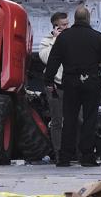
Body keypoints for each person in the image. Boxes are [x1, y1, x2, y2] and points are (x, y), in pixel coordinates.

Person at [45, 6, 101, 167]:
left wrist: (48, 81)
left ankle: (65, 157)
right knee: (89, 119)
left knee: (69, 119)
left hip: (70, 83)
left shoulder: (64, 38)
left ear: (75, 19)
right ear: (88, 19)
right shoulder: (96, 37)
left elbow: (53, 60)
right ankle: (87, 157)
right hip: (91, 83)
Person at [39, 12, 69, 162]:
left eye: (67, 24)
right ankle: (58, 153)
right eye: (63, 25)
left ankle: (72, 151)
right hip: (55, 86)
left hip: (70, 85)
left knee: (77, 119)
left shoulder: (72, 39)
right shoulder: (46, 41)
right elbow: (46, 59)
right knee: (57, 120)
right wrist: (56, 40)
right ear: (55, 26)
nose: (66, 27)